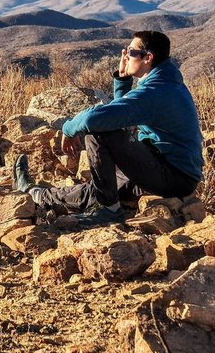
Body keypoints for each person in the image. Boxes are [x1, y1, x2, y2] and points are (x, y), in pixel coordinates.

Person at [14, 30, 204, 226]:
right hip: (167, 167)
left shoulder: (155, 92)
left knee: (98, 133)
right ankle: (35, 195)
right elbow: (122, 117)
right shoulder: (165, 81)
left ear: (147, 58)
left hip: (172, 175)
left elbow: (94, 119)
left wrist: (68, 129)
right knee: (98, 190)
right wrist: (122, 82)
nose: (125, 56)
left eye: (131, 52)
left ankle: (109, 211)